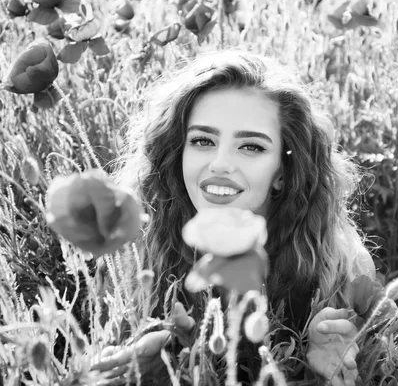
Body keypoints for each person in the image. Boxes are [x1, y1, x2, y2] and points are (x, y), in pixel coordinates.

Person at [92, 49, 380, 385]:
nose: (220, 163)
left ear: (282, 172)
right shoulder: (135, 254)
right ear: (177, 153)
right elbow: (96, 363)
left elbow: (394, 373)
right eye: (202, 141)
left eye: (252, 147)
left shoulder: (340, 268)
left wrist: (324, 375)